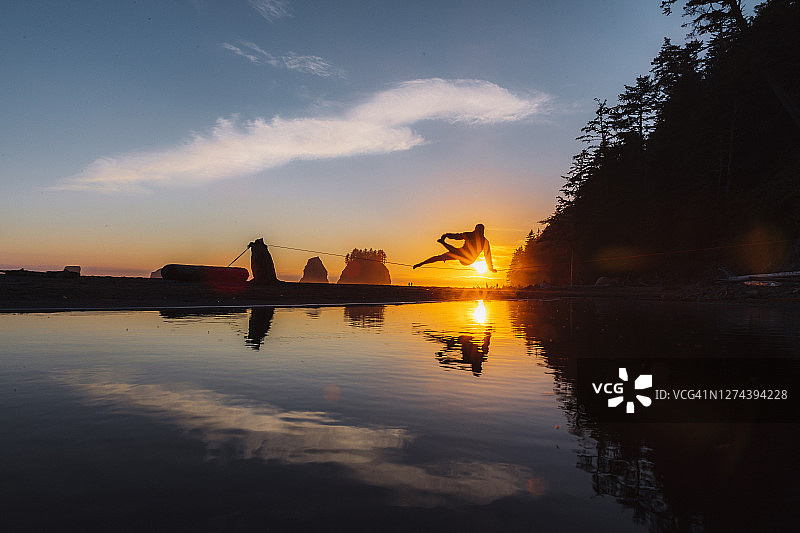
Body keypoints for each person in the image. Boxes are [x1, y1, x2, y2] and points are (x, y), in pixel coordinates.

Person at [413, 223, 497, 271]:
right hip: (460, 253)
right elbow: (457, 236)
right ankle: (421, 264)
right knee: (440, 257)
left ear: (482, 231)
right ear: (475, 230)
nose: (477, 232)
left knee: (458, 252)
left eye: (480, 231)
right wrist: (446, 235)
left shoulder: (485, 242)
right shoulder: (470, 234)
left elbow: (487, 255)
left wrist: (490, 267)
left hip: (469, 259)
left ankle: (443, 243)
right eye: (477, 230)